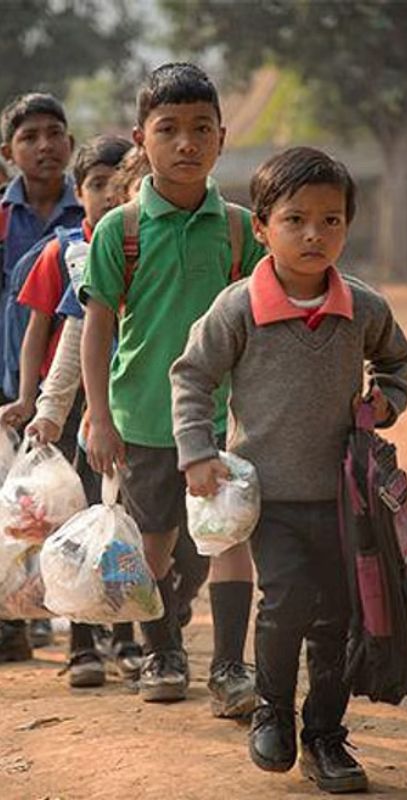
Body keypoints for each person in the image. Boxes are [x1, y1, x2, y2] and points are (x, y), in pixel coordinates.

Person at [171, 146, 407, 792]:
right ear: (261, 228)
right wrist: (196, 451)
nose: (314, 234)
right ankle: (273, 714)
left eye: (331, 220)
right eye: (295, 220)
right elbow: (192, 377)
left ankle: (325, 737)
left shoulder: (363, 308)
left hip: (343, 497)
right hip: (268, 495)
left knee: (337, 616)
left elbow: (400, 361)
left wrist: (387, 398)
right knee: (284, 602)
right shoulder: (237, 308)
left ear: (346, 225)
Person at [79, 63, 267, 711]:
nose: (186, 143)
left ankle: (229, 671)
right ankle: (162, 654)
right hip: (144, 418)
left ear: (221, 137)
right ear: (142, 139)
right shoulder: (120, 231)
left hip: (222, 418)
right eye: (169, 129)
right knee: (155, 538)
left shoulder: (241, 229)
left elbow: (259, 328)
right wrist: (99, 417)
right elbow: (98, 329)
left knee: (228, 537)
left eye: (201, 129)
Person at [10, 134, 142, 687]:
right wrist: (37, 403)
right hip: (82, 410)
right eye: (96, 186)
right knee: (79, 522)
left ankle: (131, 631)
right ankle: (85, 642)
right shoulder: (67, 253)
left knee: (129, 523)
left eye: (120, 187)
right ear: (78, 191)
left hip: (140, 405)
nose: (109, 198)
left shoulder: (143, 245)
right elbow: (51, 336)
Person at [0, 91, 83, 661]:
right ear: (9, 153)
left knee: (63, 499)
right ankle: (13, 622)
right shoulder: (3, 219)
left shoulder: (92, 217)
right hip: (5, 381)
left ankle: (78, 615)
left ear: (71, 145)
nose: (44, 146)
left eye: (54, 133)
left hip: (72, 382)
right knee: (10, 508)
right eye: (30, 137)